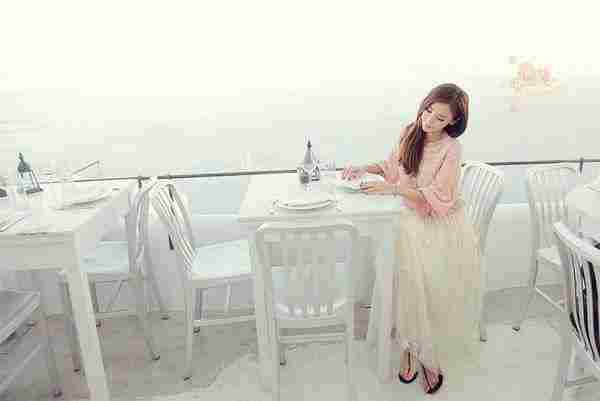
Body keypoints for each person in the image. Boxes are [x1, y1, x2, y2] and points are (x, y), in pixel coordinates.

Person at [342, 83, 480, 394]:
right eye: (427, 111)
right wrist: (363, 168)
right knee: (401, 266)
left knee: (415, 273)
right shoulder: (410, 131)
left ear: (454, 122)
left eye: (440, 118)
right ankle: (408, 344)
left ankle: (424, 350)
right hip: (405, 216)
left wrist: (393, 189)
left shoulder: (451, 148)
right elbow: (392, 167)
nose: (428, 121)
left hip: (436, 221)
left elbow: (439, 195)